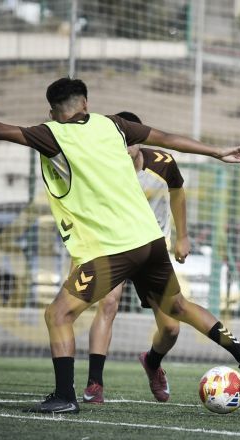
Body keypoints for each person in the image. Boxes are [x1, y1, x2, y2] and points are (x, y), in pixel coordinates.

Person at [0, 78, 240, 414]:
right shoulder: (114, 126)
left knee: (58, 313)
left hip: (111, 250)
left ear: (52, 111)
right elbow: (167, 138)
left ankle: (64, 395)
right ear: (86, 103)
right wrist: (216, 151)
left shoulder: (52, 134)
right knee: (178, 306)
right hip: (149, 241)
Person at [81, 111, 189, 405]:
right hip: (115, 246)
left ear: (139, 141)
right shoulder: (103, 167)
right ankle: (94, 383)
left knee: (171, 328)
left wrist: (182, 236)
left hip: (153, 251)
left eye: (128, 142)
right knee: (109, 303)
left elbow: (178, 192)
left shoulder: (162, 164)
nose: (122, 148)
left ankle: (152, 362)